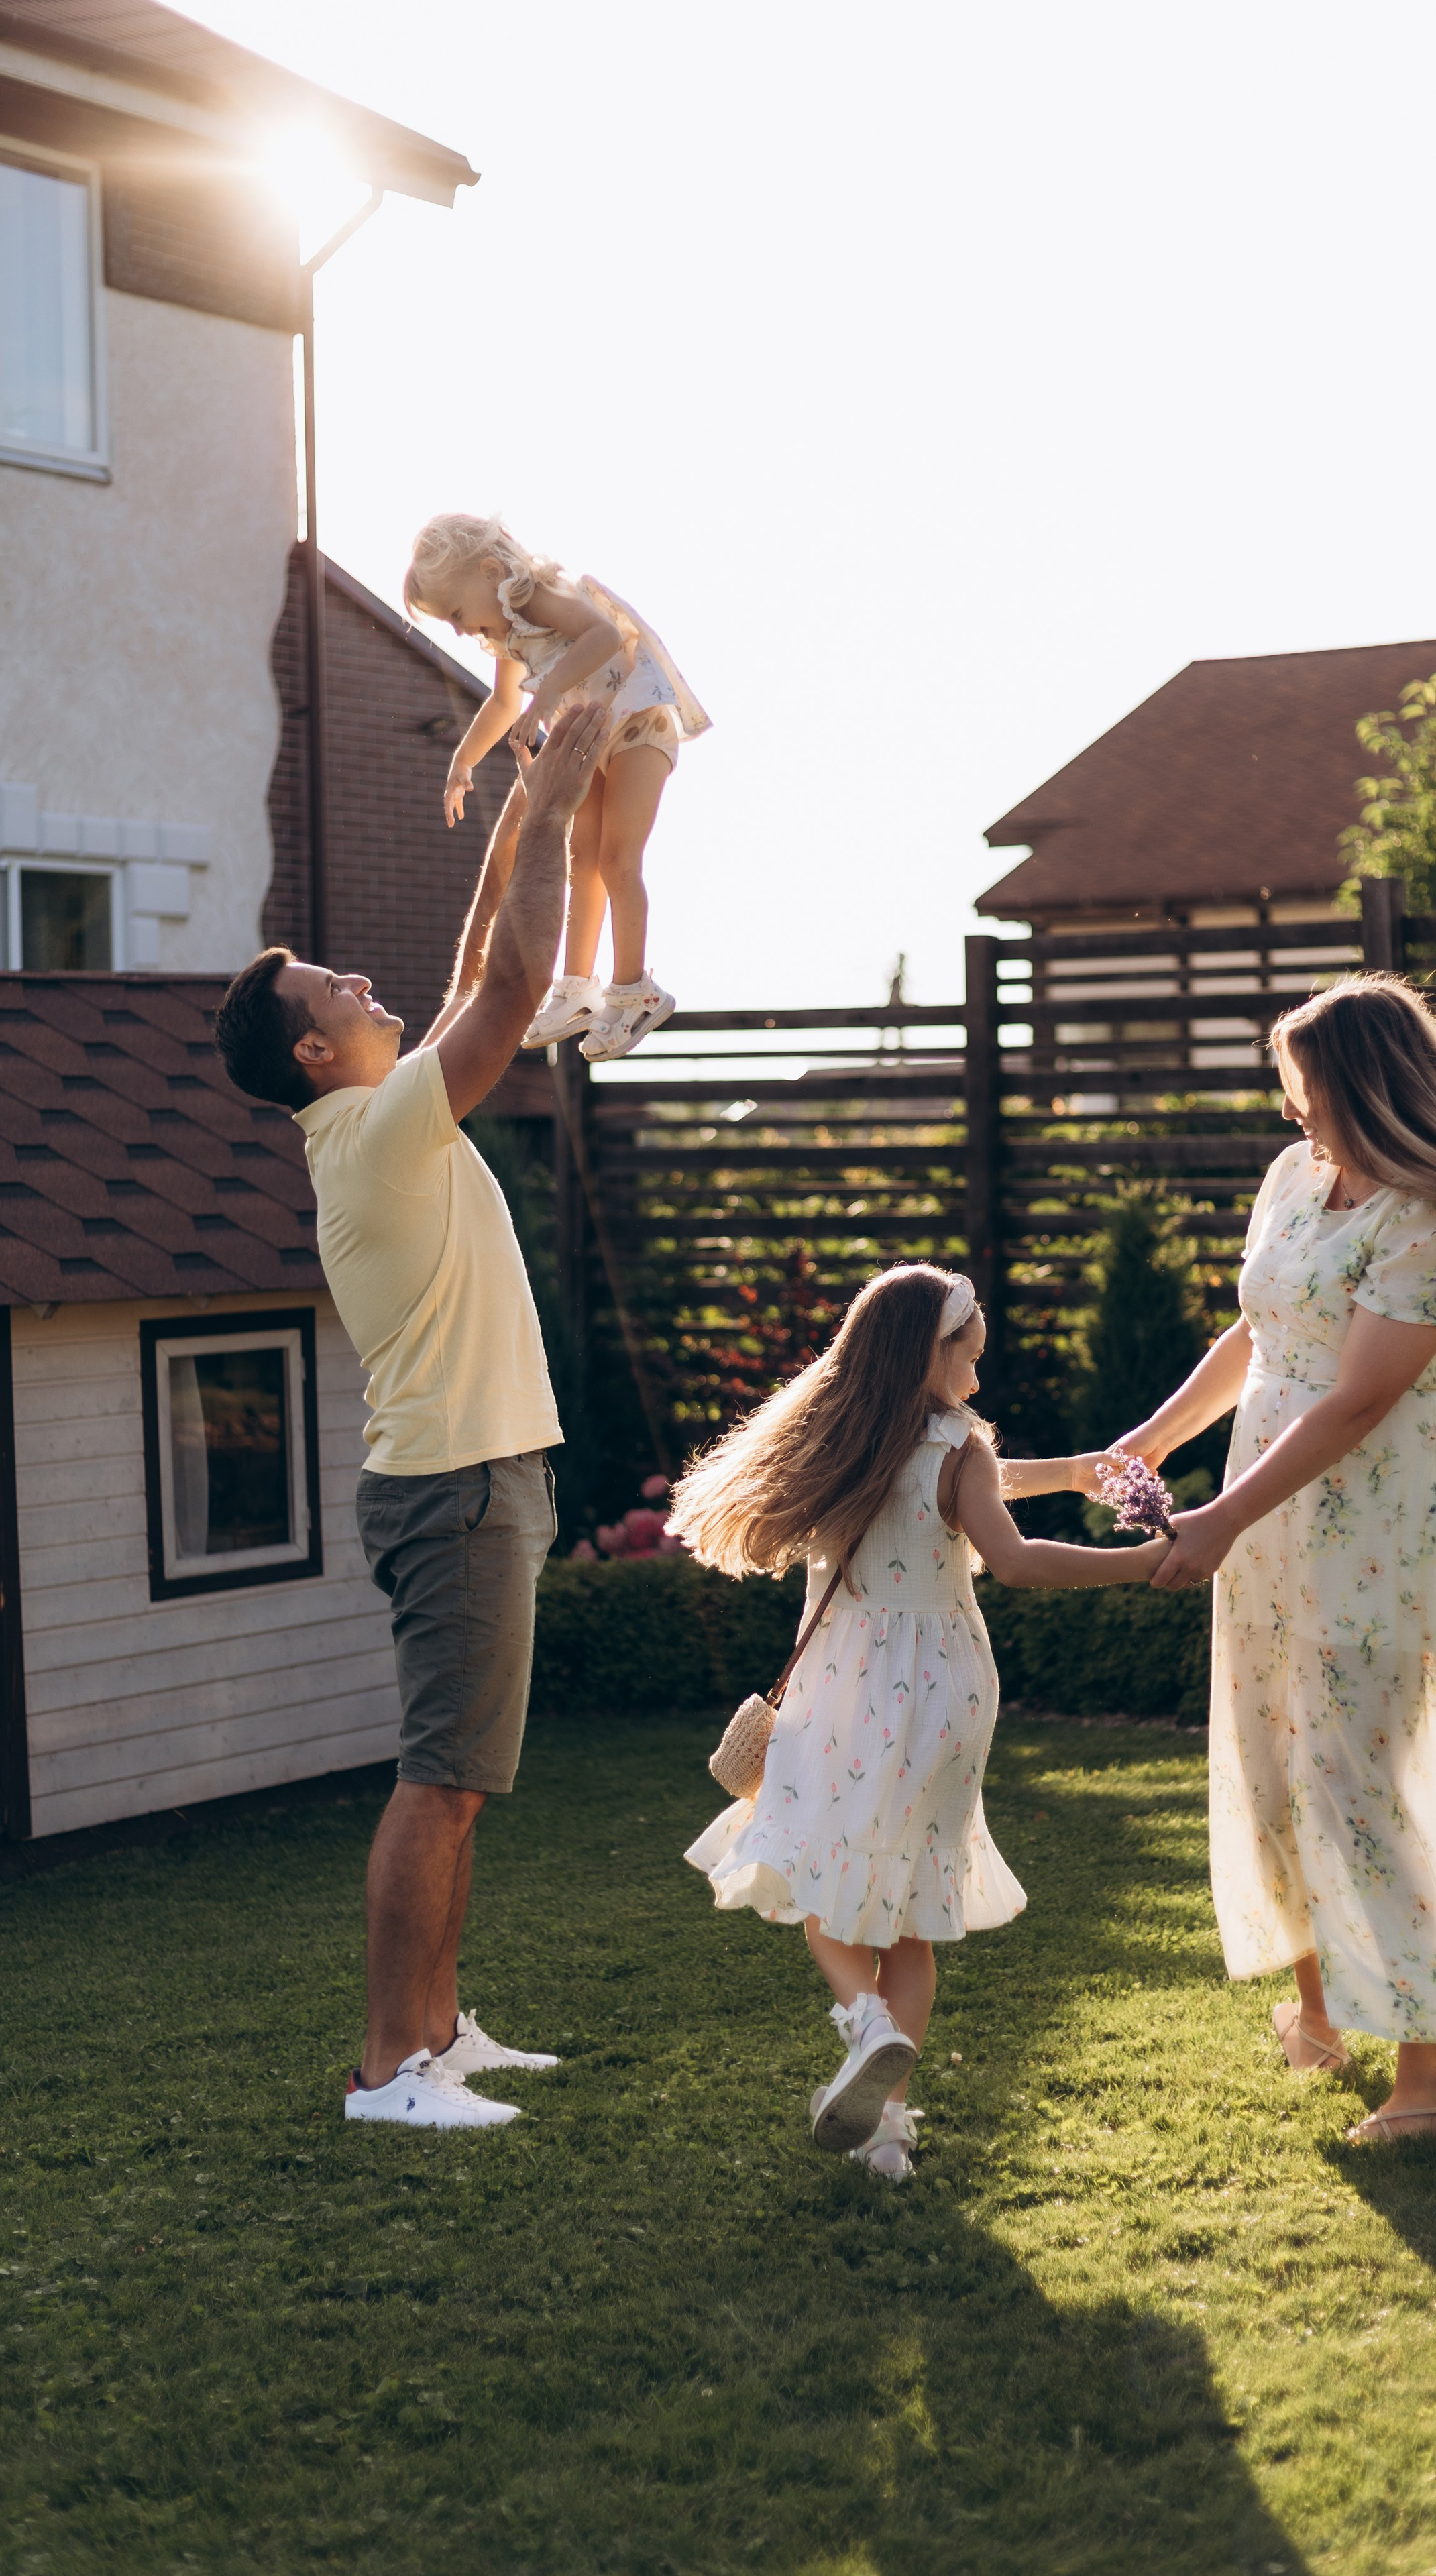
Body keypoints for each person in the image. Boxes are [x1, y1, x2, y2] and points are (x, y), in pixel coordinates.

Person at [213, 704, 612, 2130]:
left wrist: (516, 803)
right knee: (438, 1783)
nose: (361, 982)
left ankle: (438, 2030)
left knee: (462, 1784)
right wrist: (561, 803)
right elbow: (508, 985)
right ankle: (387, 2070)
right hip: (455, 1490)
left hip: (477, 1478)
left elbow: (461, 969)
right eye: (333, 988)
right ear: (314, 1056)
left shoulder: (382, 1120)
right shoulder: (377, 1135)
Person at [1099, 974, 1436, 2143]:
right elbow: (1259, 1332)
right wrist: (1155, 1438)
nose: (1291, 1111)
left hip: (1371, 1520)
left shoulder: (1435, 1219)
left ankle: (1428, 2080)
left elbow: (1356, 1403)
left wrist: (1218, 1519)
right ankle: (1319, 2014)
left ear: (1365, 1086)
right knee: (1273, 1756)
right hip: (1269, 1504)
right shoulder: (1296, 1179)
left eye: (1305, 1089)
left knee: (1364, 1776)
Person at [669, 1264, 1172, 2183]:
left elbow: (956, 1487)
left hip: (845, 1690)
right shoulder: (959, 1450)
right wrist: (1137, 1564)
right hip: (946, 1695)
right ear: (929, 1354)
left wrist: (1069, 1474)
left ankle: (866, 2025)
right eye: (969, 1362)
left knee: (818, 1876)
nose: (977, 1383)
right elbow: (1005, 1550)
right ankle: (889, 2134)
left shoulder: (840, 1437)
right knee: (911, 1916)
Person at [404, 512, 710, 1060]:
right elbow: (503, 703)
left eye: (455, 613)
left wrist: (545, 701)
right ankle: (578, 988)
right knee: (581, 859)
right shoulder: (505, 638)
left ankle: (635, 990)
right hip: (593, 736)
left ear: (490, 571)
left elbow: (603, 634)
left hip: (639, 723)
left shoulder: (533, 597)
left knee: (618, 859)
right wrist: (462, 759)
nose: (458, 629)